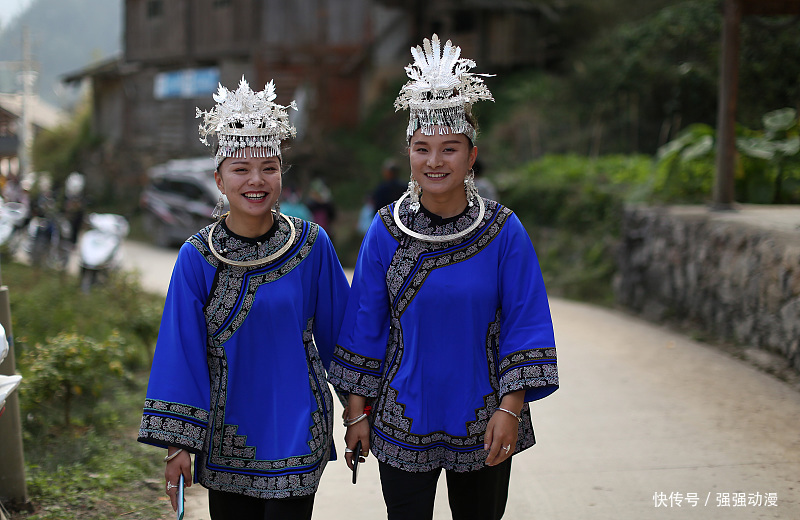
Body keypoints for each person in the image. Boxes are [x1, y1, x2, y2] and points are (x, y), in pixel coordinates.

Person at [328, 35, 559, 520]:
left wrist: (511, 409)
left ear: (472, 157)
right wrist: (356, 413)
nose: (435, 162)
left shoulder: (503, 230)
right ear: (408, 154)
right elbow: (365, 325)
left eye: (449, 149)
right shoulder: (387, 229)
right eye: (422, 148)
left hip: (486, 417)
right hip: (400, 417)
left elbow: (525, 322)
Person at [138, 77, 350, 520]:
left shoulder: (311, 245)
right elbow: (182, 353)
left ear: (281, 175)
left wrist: (359, 412)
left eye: (269, 167)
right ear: (219, 178)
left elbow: (341, 336)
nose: (256, 180)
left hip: (298, 425)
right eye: (240, 169)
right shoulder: (197, 257)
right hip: (225, 433)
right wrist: (179, 443)